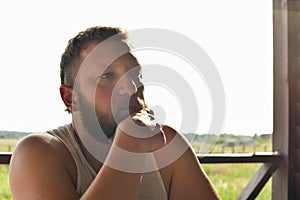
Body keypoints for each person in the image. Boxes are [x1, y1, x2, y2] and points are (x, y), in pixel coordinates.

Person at [9, 26, 220, 199]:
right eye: (107, 75)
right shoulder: (38, 153)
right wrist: (130, 145)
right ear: (70, 98)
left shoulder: (167, 148)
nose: (130, 87)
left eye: (135, 74)